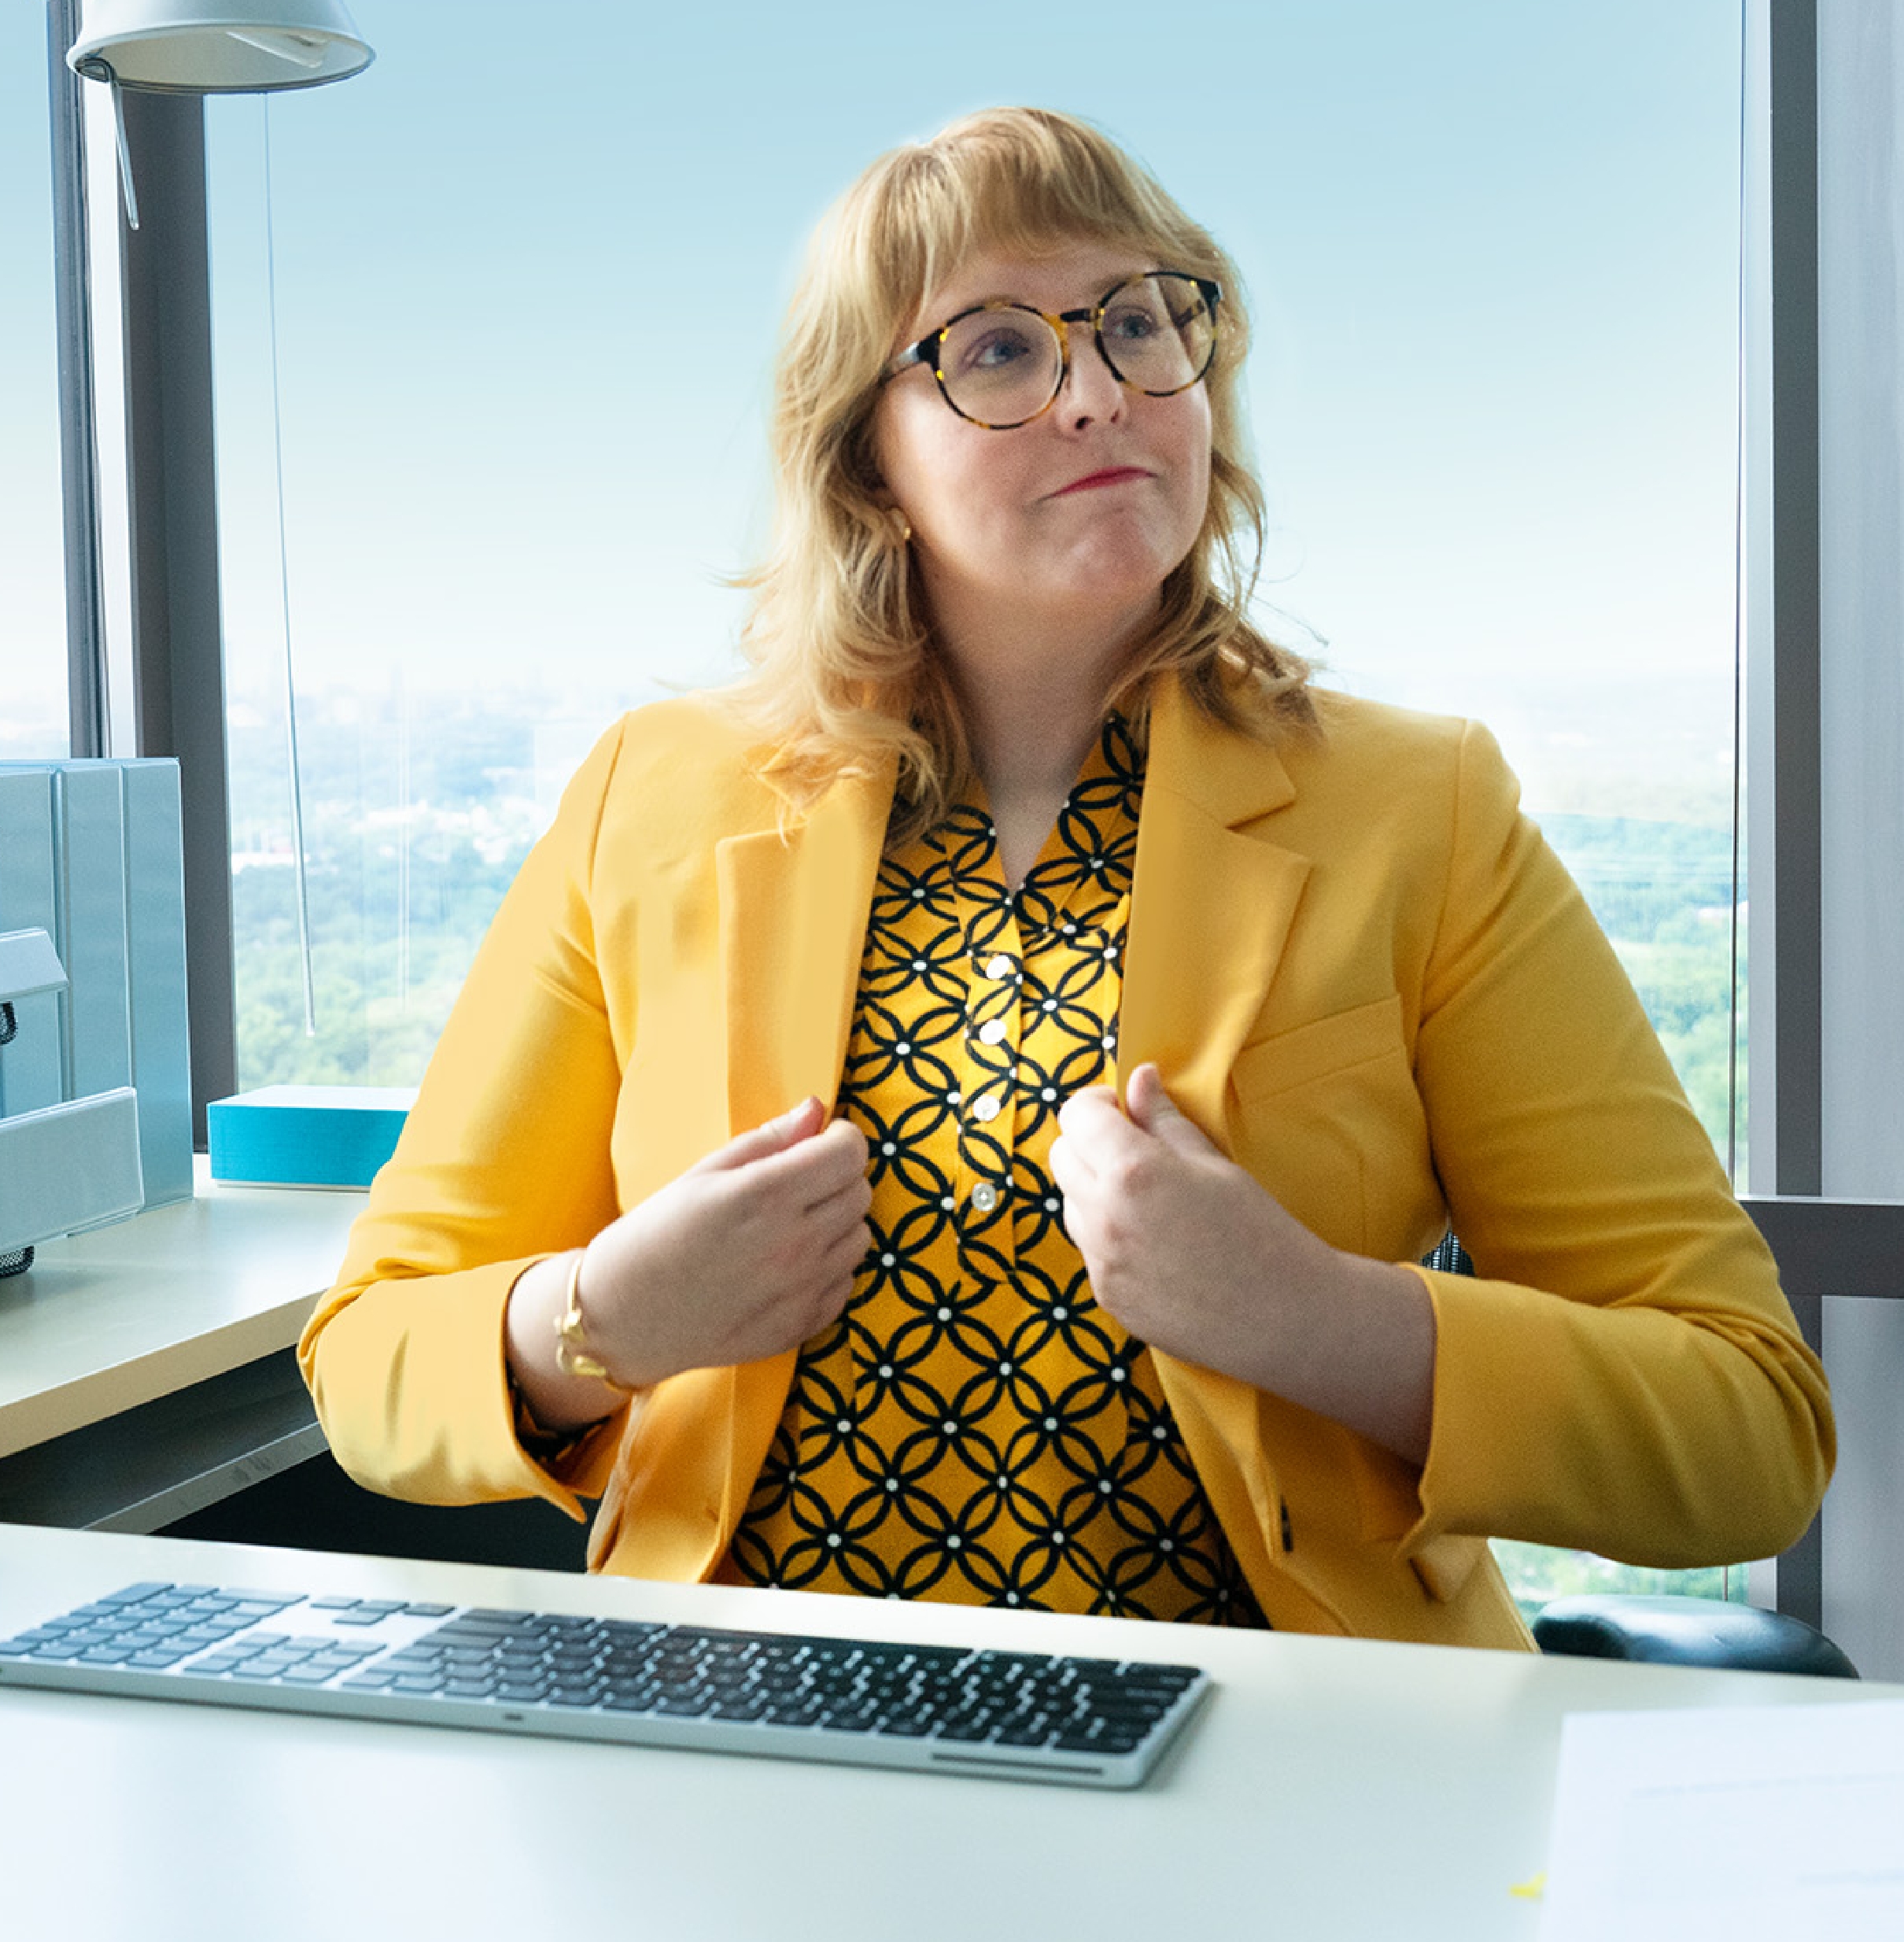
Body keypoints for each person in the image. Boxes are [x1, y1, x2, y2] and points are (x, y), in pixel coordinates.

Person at [300, 106, 1832, 1648]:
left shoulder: (1418, 809)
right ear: (865, 461)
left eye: (1139, 323)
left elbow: (1745, 1426)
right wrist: (604, 1321)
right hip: (740, 1759)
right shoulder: (652, 796)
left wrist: (1310, 1316)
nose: (1099, 392)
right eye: (996, 352)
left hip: (1289, 1766)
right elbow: (369, 1363)